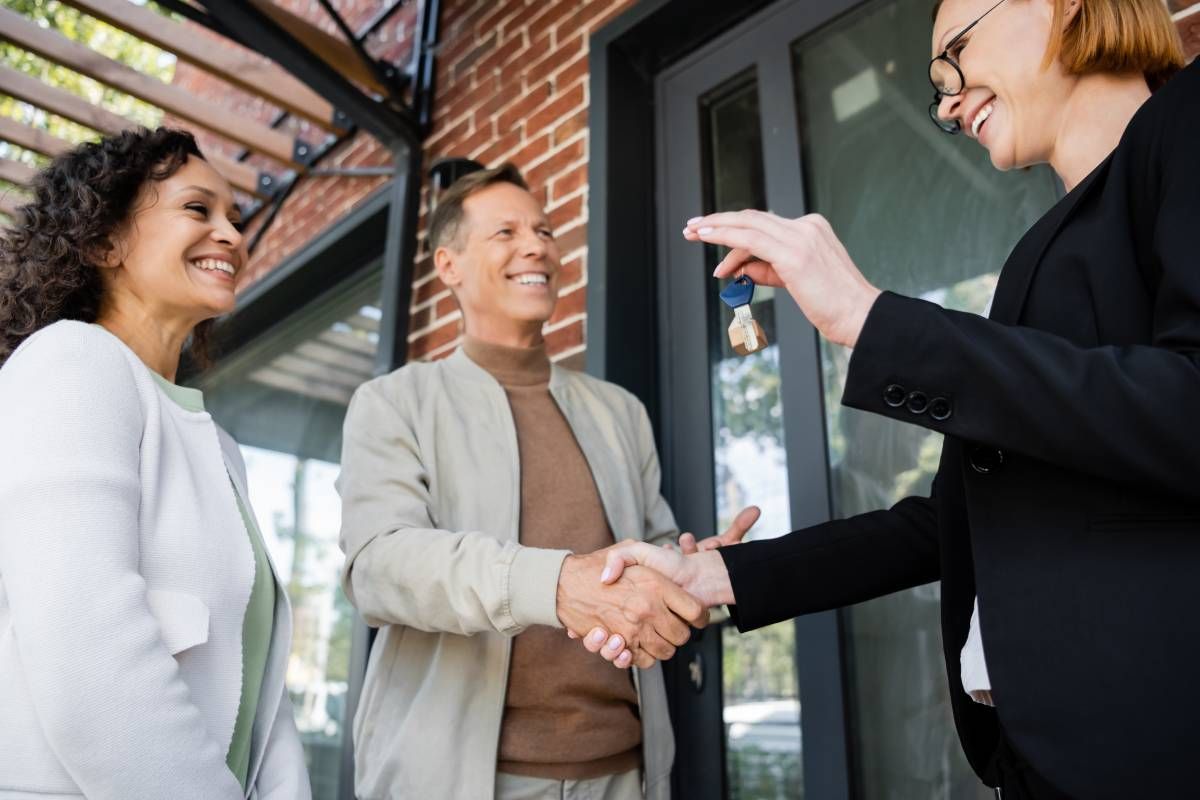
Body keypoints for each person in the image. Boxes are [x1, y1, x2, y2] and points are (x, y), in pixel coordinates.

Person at [581, 1, 1197, 797]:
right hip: (1047, 761)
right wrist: (715, 578)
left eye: (955, 57)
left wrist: (873, 320)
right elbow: (952, 525)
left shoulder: (1191, 127)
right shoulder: (1037, 259)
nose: (944, 100)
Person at [336, 162, 758, 800]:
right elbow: (379, 566)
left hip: (625, 775)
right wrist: (558, 584)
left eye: (544, 230)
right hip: (461, 782)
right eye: (504, 232)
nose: (536, 245)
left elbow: (653, 548)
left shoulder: (620, 412)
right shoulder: (394, 402)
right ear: (448, 265)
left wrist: (692, 573)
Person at [0, 128, 310, 799]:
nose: (230, 234)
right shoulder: (70, 363)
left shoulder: (216, 445)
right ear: (103, 241)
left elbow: (257, 682)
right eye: (198, 210)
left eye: (233, 217)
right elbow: (88, 657)